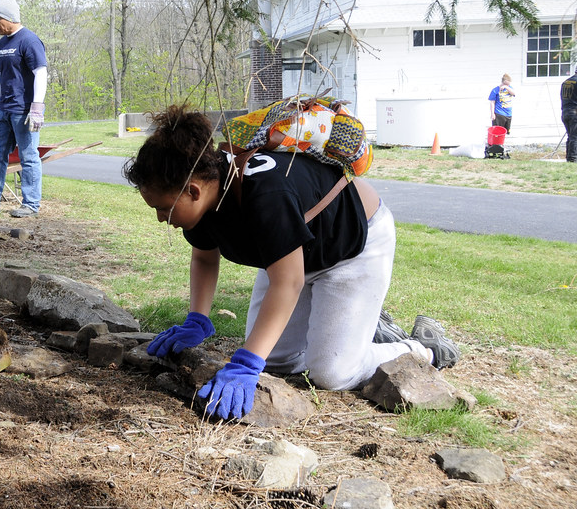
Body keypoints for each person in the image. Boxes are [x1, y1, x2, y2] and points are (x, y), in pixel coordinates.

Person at [122, 105, 459, 421]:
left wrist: (246, 363)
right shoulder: (205, 197)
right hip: (294, 255)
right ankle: (363, 326)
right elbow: (204, 257)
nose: (160, 218)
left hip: (351, 246)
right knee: (278, 360)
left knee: (332, 372)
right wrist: (197, 319)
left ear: (193, 190)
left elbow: (288, 283)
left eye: (164, 209)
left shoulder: (266, 194)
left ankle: (425, 348)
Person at [0, 0, 47, 218]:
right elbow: (2, 76)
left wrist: (37, 107)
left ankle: (31, 205)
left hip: (24, 110)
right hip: (5, 109)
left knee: (29, 157)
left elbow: (40, 74)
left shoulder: (29, 41)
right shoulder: (2, 44)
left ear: (10, 18)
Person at [561, 72, 577, 162]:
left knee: (570, 136)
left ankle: (569, 158)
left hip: (565, 111)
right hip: (574, 112)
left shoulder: (565, 82)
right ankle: (573, 159)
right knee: (575, 137)